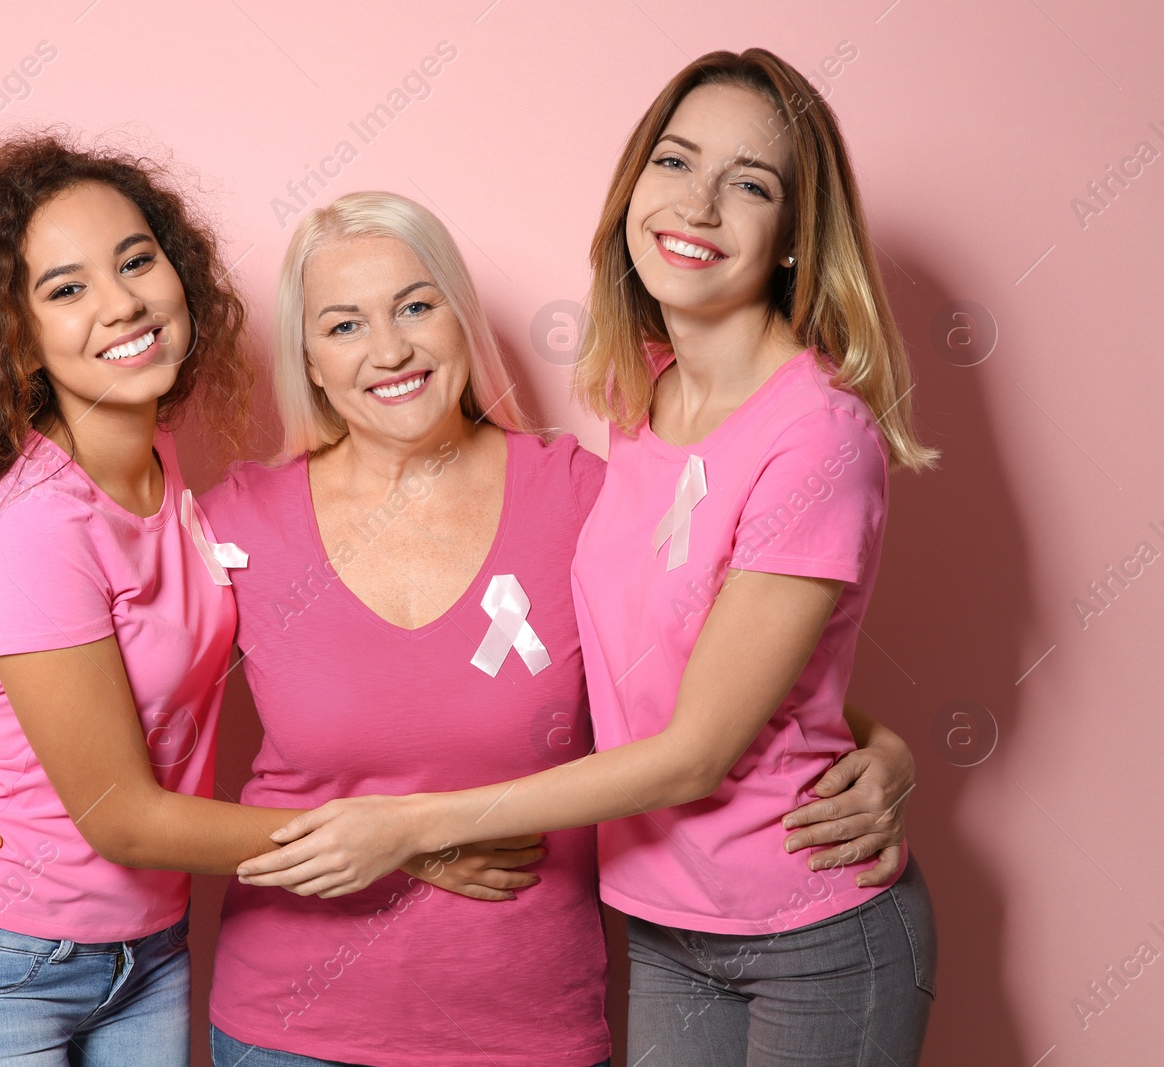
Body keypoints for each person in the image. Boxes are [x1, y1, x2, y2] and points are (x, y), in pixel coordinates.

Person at [0, 190, 919, 1066]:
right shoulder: (232, 521)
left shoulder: (579, 495)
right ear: (307, 356)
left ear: (460, 319)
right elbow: (100, 678)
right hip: (285, 1024)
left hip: (527, 1024)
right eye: (342, 324)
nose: (387, 349)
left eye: (415, 306)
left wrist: (876, 742)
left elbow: (709, 650)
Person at [236, 50, 940, 1066]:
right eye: (674, 163)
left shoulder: (816, 435)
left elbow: (700, 744)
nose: (696, 205)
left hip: (809, 926)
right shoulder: (642, 404)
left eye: (748, 184)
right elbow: (682, 637)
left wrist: (406, 825)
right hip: (663, 926)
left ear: (793, 237)